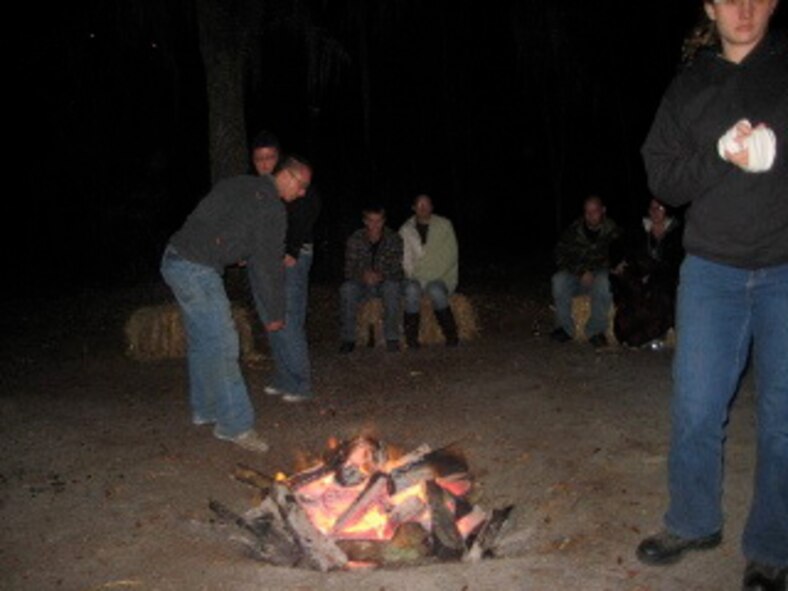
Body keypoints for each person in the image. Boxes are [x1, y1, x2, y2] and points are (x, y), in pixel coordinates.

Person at [635, 1, 787, 588]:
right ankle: (695, 521)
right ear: (709, 6)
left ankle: (772, 547)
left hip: (785, 269)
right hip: (712, 272)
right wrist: (721, 153)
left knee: (782, 420)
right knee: (696, 407)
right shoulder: (691, 84)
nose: (743, 9)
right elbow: (663, 178)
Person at [160, 156, 312, 452]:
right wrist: (275, 313)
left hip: (174, 257)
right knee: (225, 342)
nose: (303, 193)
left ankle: (205, 409)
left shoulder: (240, 184)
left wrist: (227, 249)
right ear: (289, 177)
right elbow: (268, 266)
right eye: (303, 185)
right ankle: (235, 425)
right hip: (196, 268)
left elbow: (208, 217)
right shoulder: (271, 206)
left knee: (204, 341)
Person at [250, 130, 322, 403]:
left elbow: (311, 206)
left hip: (293, 256)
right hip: (264, 259)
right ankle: (284, 377)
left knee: (289, 316)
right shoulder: (258, 189)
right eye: (259, 159)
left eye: (270, 157)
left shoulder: (296, 179)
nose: (265, 163)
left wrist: (291, 249)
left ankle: (301, 382)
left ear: (279, 159)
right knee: (271, 318)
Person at [609, 198, 684, 348]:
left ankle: (649, 336)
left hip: (666, 278)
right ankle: (629, 336)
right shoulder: (638, 230)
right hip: (639, 275)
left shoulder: (677, 233)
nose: (655, 212)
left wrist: (655, 273)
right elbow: (619, 248)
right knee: (632, 295)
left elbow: (677, 261)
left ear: (666, 211)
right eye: (652, 208)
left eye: (659, 208)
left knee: (661, 296)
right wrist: (619, 263)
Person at [550, 195, 622, 348]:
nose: (591, 215)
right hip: (577, 277)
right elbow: (560, 256)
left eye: (595, 211)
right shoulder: (573, 231)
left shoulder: (615, 232)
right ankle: (565, 328)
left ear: (603, 210)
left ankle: (596, 331)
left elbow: (619, 258)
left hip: (600, 275)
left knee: (605, 281)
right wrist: (580, 271)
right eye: (587, 211)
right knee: (558, 280)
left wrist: (607, 269)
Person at [339, 205, 404, 353]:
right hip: (361, 281)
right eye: (371, 221)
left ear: (384, 221)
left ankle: (392, 338)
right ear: (365, 221)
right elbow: (349, 268)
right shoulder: (355, 238)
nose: (375, 225)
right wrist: (363, 275)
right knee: (347, 289)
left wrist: (381, 275)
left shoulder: (394, 238)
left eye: (378, 221)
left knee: (392, 288)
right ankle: (348, 339)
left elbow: (397, 267)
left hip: (384, 281)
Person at [399, 194, 460, 348]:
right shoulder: (406, 230)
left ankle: (451, 336)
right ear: (413, 208)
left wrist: (427, 277)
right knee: (412, 289)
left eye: (426, 204)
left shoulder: (444, 225)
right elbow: (404, 259)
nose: (423, 208)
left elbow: (450, 256)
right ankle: (411, 339)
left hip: (441, 276)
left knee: (435, 290)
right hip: (414, 276)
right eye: (419, 205)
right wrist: (414, 276)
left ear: (432, 207)